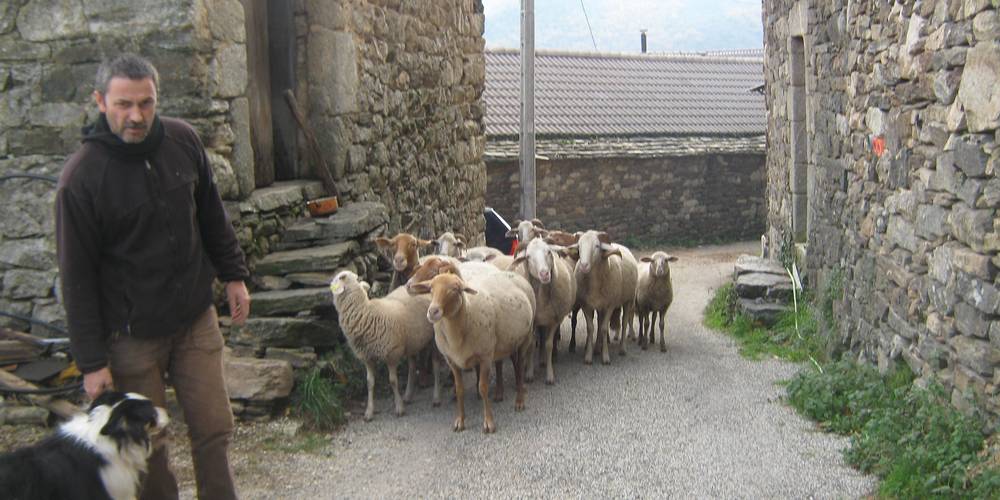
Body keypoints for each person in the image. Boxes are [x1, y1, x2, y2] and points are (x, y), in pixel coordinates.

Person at [55, 53, 250, 500]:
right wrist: (91, 363)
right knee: (149, 447)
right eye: (124, 104)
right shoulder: (81, 179)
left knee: (214, 427)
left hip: (195, 320)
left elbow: (211, 216)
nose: (136, 115)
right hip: (132, 338)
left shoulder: (182, 141)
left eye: (146, 102)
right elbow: (76, 279)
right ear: (100, 101)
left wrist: (234, 275)